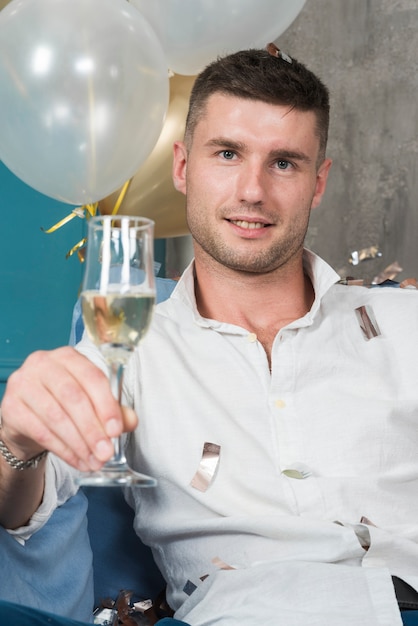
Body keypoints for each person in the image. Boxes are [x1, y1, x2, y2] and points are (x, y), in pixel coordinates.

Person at [1, 45, 418, 626]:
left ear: (318, 182)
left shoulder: (404, 324)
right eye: (227, 153)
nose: (252, 191)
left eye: (284, 163)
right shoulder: (128, 350)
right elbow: (16, 509)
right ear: (182, 166)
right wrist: (15, 443)